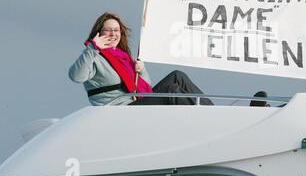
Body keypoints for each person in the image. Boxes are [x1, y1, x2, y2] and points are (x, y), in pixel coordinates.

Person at [69, 12, 212, 106]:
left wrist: (141, 70)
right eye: (108, 30)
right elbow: (76, 76)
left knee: (178, 76)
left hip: (137, 100)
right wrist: (92, 49)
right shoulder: (94, 57)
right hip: (120, 109)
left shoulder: (122, 58)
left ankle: (214, 111)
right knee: (172, 90)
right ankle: (204, 116)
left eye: (116, 30)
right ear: (99, 33)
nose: (113, 34)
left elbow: (145, 87)